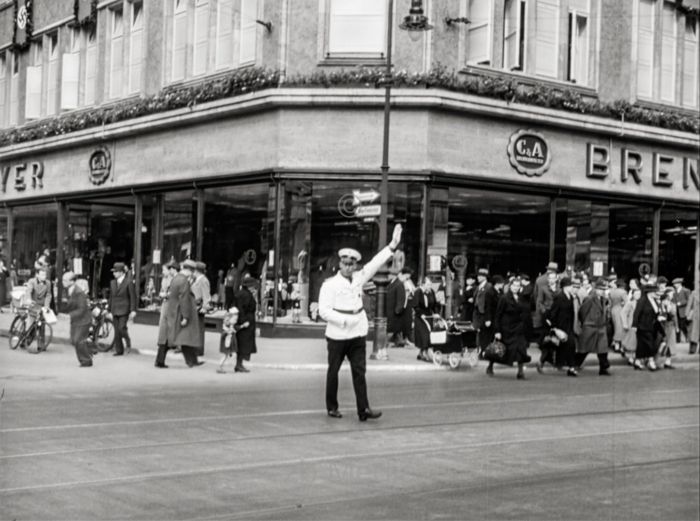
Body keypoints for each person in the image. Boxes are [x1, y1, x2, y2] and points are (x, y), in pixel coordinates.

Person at [319, 224, 402, 421]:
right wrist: (343, 321)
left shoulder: (359, 277)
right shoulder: (329, 285)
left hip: (357, 332)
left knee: (359, 372)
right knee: (333, 371)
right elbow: (324, 311)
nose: (348, 267)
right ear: (340, 264)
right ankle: (332, 406)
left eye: (352, 264)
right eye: (345, 264)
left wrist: (392, 246)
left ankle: (363, 409)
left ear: (355, 265)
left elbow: (375, 262)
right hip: (338, 333)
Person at [156, 259, 202, 368]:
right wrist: (185, 316)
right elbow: (184, 299)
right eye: (193, 271)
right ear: (190, 270)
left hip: (173, 311)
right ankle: (191, 361)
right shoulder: (183, 281)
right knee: (177, 337)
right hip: (179, 313)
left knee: (182, 337)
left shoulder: (176, 279)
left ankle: (191, 361)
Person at [489, 276, 532, 380]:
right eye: (514, 285)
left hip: (519, 329)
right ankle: (490, 365)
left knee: (521, 349)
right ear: (510, 286)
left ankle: (520, 372)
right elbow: (498, 315)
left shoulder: (522, 298)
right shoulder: (504, 298)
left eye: (518, 286)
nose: (516, 288)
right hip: (507, 329)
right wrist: (497, 331)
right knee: (501, 350)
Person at [575, 278, 612, 376]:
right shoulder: (590, 298)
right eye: (601, 289)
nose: (603, 292)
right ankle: (575, 364)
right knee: (584, 349)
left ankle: (603, 367)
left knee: (602, 349)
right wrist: (586, 322)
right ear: (596, 289)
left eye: (604, 289)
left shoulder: (604, 299)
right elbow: (582, 311)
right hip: (590, 326)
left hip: (601, 326)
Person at [548, 276, 579, 377]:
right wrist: (554, 327)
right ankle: (571, 367)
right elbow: (553, 312)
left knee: (563, 346)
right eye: (570, 285)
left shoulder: (569, 296)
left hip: (568, 325)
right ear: (565, 287)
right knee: (571, 345)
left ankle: (558, 363)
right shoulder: (559, 297)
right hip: (561, 326)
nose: (572, 287)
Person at [62, 272, 93, 367]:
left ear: (72, 281)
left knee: (78, 340)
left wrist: (69, 315)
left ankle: (86, 360)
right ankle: (90, 349)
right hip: (76, 321)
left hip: (83, 320)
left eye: (65, 280)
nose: (63, 282)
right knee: (74, 340)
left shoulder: (79, 292)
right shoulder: (68, 290)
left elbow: (82, 309)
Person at [632, 283, 666, 371]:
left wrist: (658, 317)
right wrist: (634, 325)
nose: (656, 293)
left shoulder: (654, 300)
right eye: (654, 291)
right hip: (643, 326)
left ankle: (637, 362)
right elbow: (636, 313)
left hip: (652, 326)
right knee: (649, 344)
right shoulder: (642, 300)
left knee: (641, 346)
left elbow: (655, 312)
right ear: (649, 292)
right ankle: (651, 362)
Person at [107, 262, 136, 356]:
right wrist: (109, 309)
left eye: (115, 272)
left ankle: (127, 339)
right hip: (115, 308)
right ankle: (119, 350)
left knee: (121, 328)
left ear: (121, 272)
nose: (114, 273)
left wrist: (133, 310)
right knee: (116, 330)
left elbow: (132, 296)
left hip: (124, 308)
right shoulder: (112, 282)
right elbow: (111, 297)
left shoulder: (128, 282)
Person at [155, 261, 179, 368]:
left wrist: (165, 294)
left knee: (165, 336)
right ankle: (160, 361)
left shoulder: (172, 279)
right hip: (167, 308)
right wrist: (163, 294)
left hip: (169, 307)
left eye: (164, 269)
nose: (163, 272)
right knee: (165, 336)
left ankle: (159, 360)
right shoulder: (166, 279)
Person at [233, 275, 258, 372]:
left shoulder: (241, 294)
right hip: (246, 323)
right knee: (244, 344)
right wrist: (244, 321)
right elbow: (242, 309)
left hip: (242, 322)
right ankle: (239, 365)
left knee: (241, 344)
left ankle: (239, 364)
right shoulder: (246, 295)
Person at [25, 265, 53, 351]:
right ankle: (27, 339)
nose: (44, 277)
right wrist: (29, 300)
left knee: (42, 325)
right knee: (31, 324)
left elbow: (48, 295)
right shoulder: (32, 281)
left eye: (45, 275)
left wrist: (46, 306)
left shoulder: (48, 283)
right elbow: (29, 291)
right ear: (37, 275)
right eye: (42, 275)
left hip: (41, 306)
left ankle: (41, 344)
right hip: (33, 304)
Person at [413, 275, 440, 362]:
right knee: (424, 335)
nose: (429, 286)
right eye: (428, 284)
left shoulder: (431, 291)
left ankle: (422, 353)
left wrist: (435, 313)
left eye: (430, 284)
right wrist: (420, 314)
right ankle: (424, 353)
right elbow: (415, 305)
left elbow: (434, 304)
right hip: (420, 317)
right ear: (423, 284)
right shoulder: (418, 292)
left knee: (429, 335)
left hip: (429, 316)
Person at [189, 261, 212, 363]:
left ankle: (199, 349)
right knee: (194, 328)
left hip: (199, 307)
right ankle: (194, 347)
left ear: (196, 271)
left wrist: (205, 307)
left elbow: (206, 296)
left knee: (199, 328)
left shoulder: (203, 280)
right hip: (193, 306)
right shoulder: (196, 280)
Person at [473, 268, 497, 356]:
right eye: (478, 276)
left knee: (485, 334)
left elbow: (489, 303)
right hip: (478, 313)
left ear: (485, 277)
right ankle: (480, 350)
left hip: (484, 313)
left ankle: (484, 352)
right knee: (479, 332)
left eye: (480, 276)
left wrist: (488, 317)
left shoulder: (489, 287)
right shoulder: (479, 286)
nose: (478, 277)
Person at [620, 286, 642, 365]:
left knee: (637, 342)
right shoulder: (630, 303)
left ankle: (635, 357)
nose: (638, 295)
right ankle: (631, 358)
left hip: (639, 325)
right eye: (636, 294)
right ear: (633, 295)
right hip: (631, 324)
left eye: (639, 294)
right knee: (631, 342)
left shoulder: (641, 303)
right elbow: (623, 313)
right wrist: (625, 323)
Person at [658, 288, 678, 369]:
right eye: (670, 294)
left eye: (672, 294)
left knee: (670, 345)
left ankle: (668, 362)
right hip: (661, 327)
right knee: (661, 344)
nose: (671, 296)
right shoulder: (659, 305)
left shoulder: (672, 304)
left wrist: (677, 327)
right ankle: (654, 361)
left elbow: (674, 316)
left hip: (670, 326)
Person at [386, 267, 406, 347]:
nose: (388, 276)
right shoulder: (390, 283)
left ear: (393, 275)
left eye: (389, 274)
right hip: (389, 309)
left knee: (392, 327)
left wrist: (398, 309)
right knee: (392, 327)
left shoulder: (399, 284)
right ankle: (399, 341)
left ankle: (386, 342)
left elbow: (401, 298)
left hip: (394, 310)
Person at [217, 306, 240, 373]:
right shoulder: (227, 327)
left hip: (229, 342)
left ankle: (221, 366)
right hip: (227, 343)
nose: (236, 320)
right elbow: (225, 335)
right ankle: (220, 366)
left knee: (227, 355)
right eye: (235, 319)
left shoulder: (230, 326)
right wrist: (229, 332)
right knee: (225, 355)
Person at [608, 277, 627, 353]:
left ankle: (616, 344)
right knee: (620, 327)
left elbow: (610, 303)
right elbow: (626, 302)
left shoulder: (612, 292)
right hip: (620, 309)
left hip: (613, 309)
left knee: (616, 326)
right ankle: (618, 344)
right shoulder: (623, 292)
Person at [672, 277, 691, 343]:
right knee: (677, 325)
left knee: (683, 325)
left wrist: (681, 303)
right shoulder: (674, 292)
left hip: (683, 311)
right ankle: (678, 340)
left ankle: (687, 337)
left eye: (676, 284)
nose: (674, 285)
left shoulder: (686, 290)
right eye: (674, 284)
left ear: (679, 284)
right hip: (676, 311)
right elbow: (673, 301)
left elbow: (689, 300)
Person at [686, 285, 699, 355]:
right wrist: (687, 314)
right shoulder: (694, 293)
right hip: (695, 316)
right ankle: (692, 349)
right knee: (693, 333)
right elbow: (689, 304)